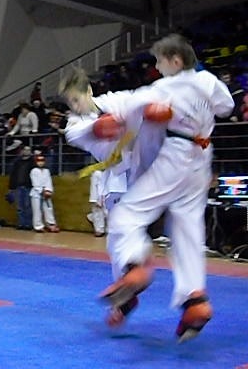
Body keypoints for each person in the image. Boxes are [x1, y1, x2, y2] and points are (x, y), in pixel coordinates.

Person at [61, 34, 235, 342]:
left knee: (143, 224)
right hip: (123, 178)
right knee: (123, 238)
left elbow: (137, 100)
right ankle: (134, 294)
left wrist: (160, 109)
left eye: (77, 99)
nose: (76, 106)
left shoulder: (114, 100)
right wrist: (98, 127)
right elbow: (80, 134)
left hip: (158, 164)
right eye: (70, 103)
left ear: (88, 91)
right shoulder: (74, 124)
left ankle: (183, 295)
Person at [29, 154, 59, 232]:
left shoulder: (46, 171)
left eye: (42, 161)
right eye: (39, 161)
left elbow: (49, 181)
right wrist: (42, 191)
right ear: (36, 162)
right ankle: (38, 226)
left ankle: (51, 224)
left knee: (49, 209)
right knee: (37, 210)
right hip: (36, 193)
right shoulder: (34, 171)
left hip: (46, 193)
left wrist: (48, 190)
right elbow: (35, 183)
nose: (41, 162)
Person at [8, 145, 34, 230]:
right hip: (18, 187)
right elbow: (13, 175)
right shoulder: (17, 162)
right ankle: (21, 223)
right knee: (19, 207)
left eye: (28, 150)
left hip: (28, 187)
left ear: (30, 152)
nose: (26, 151)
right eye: (25, 150)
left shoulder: (33, 162)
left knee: (28, 206)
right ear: (22, 151)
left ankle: (28, 224)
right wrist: (11, 187)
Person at [88, 169, 106, 237]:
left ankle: (91, 217)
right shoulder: (97, 174)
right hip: (97, 197)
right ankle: (99, 230)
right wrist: (96, 199)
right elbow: (94, 188)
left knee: (105, 212)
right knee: (98, 212)